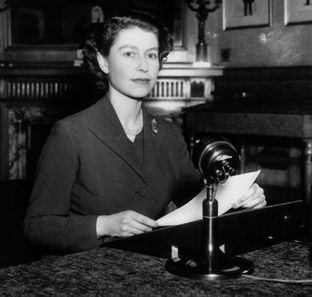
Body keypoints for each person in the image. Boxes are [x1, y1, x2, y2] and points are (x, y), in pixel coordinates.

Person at [24, 11, 266, 254]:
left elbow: (195, 205)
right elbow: (37, 226)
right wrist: (103, 224)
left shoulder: (169, 134)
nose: (143, 66)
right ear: (103, 62)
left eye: (151, 55)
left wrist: (236, 200)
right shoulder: (70, 134)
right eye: (129, 54)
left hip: (154, 264)